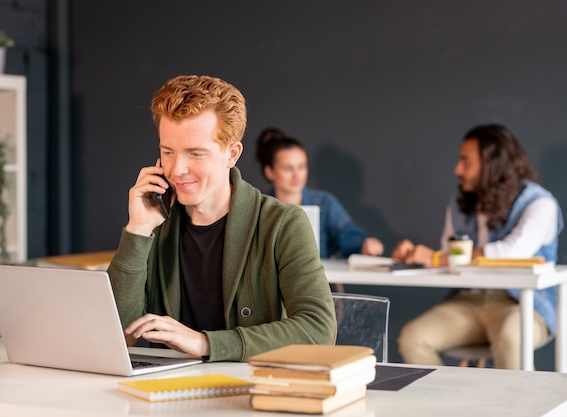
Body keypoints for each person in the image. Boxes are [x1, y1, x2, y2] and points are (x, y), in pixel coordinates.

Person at [107, 75, 336, 362]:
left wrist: (205, 343)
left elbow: (318, 330)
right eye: (168, 152)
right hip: (166, 397)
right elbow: (117, 332)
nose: (177, 170)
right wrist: (137, 232)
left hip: (250, 394)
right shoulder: (154, 224)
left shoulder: (283, 222)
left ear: (232, 154)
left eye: (195, 153)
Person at [393, 124, 564, 369]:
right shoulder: (461, 201)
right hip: (469, 301)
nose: (457, 169)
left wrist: (437, 258)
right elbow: (447, 250)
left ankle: (513, 406)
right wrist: (415, 257)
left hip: (523, 304)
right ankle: (451, 404)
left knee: (510, 336)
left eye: (466, 161)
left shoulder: (540, 204)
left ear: (492, 164)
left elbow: (510, 254)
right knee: (413, 338)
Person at [255, 127, 384, 259]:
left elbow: (348, 233)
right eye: (288, 168)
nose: (296, 175)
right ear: (269, 172)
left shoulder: (324, 203)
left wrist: (364, 245)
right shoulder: (259, 207)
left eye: (301, 167)